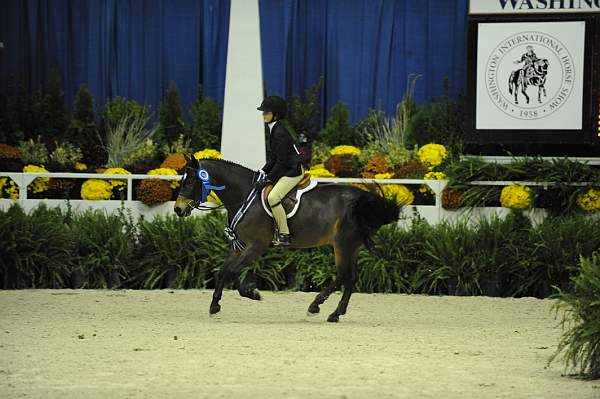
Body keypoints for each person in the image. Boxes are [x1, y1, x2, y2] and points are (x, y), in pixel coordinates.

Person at [254, 96, 304, 246]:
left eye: (266, 112)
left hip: (292, 171)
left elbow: (281, 163)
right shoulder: (274, 129)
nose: (263, 114)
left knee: (273, 197)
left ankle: (284, 234)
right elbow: (273, 159)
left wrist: (267, 179)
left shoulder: (279, 133)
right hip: (285, 168)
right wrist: (262, 172)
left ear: (276, 114)